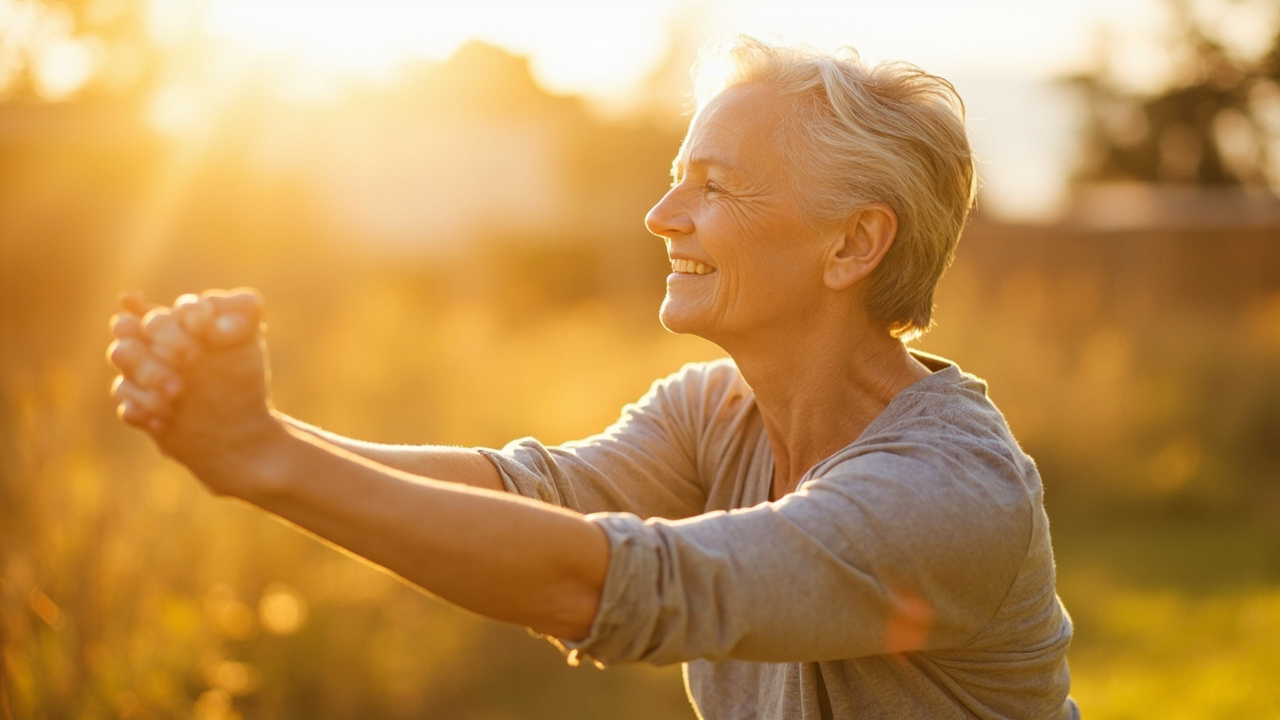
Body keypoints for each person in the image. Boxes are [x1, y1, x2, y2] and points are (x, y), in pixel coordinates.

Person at [108, 36, 1077, 719]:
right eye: (676, 174)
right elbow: (531, 493)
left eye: (712, 185)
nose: (661, 214)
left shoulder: (948, 491)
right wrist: (253, 436)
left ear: (853, 243)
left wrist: (263, 459)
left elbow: (616, 581)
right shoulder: (716, 410)